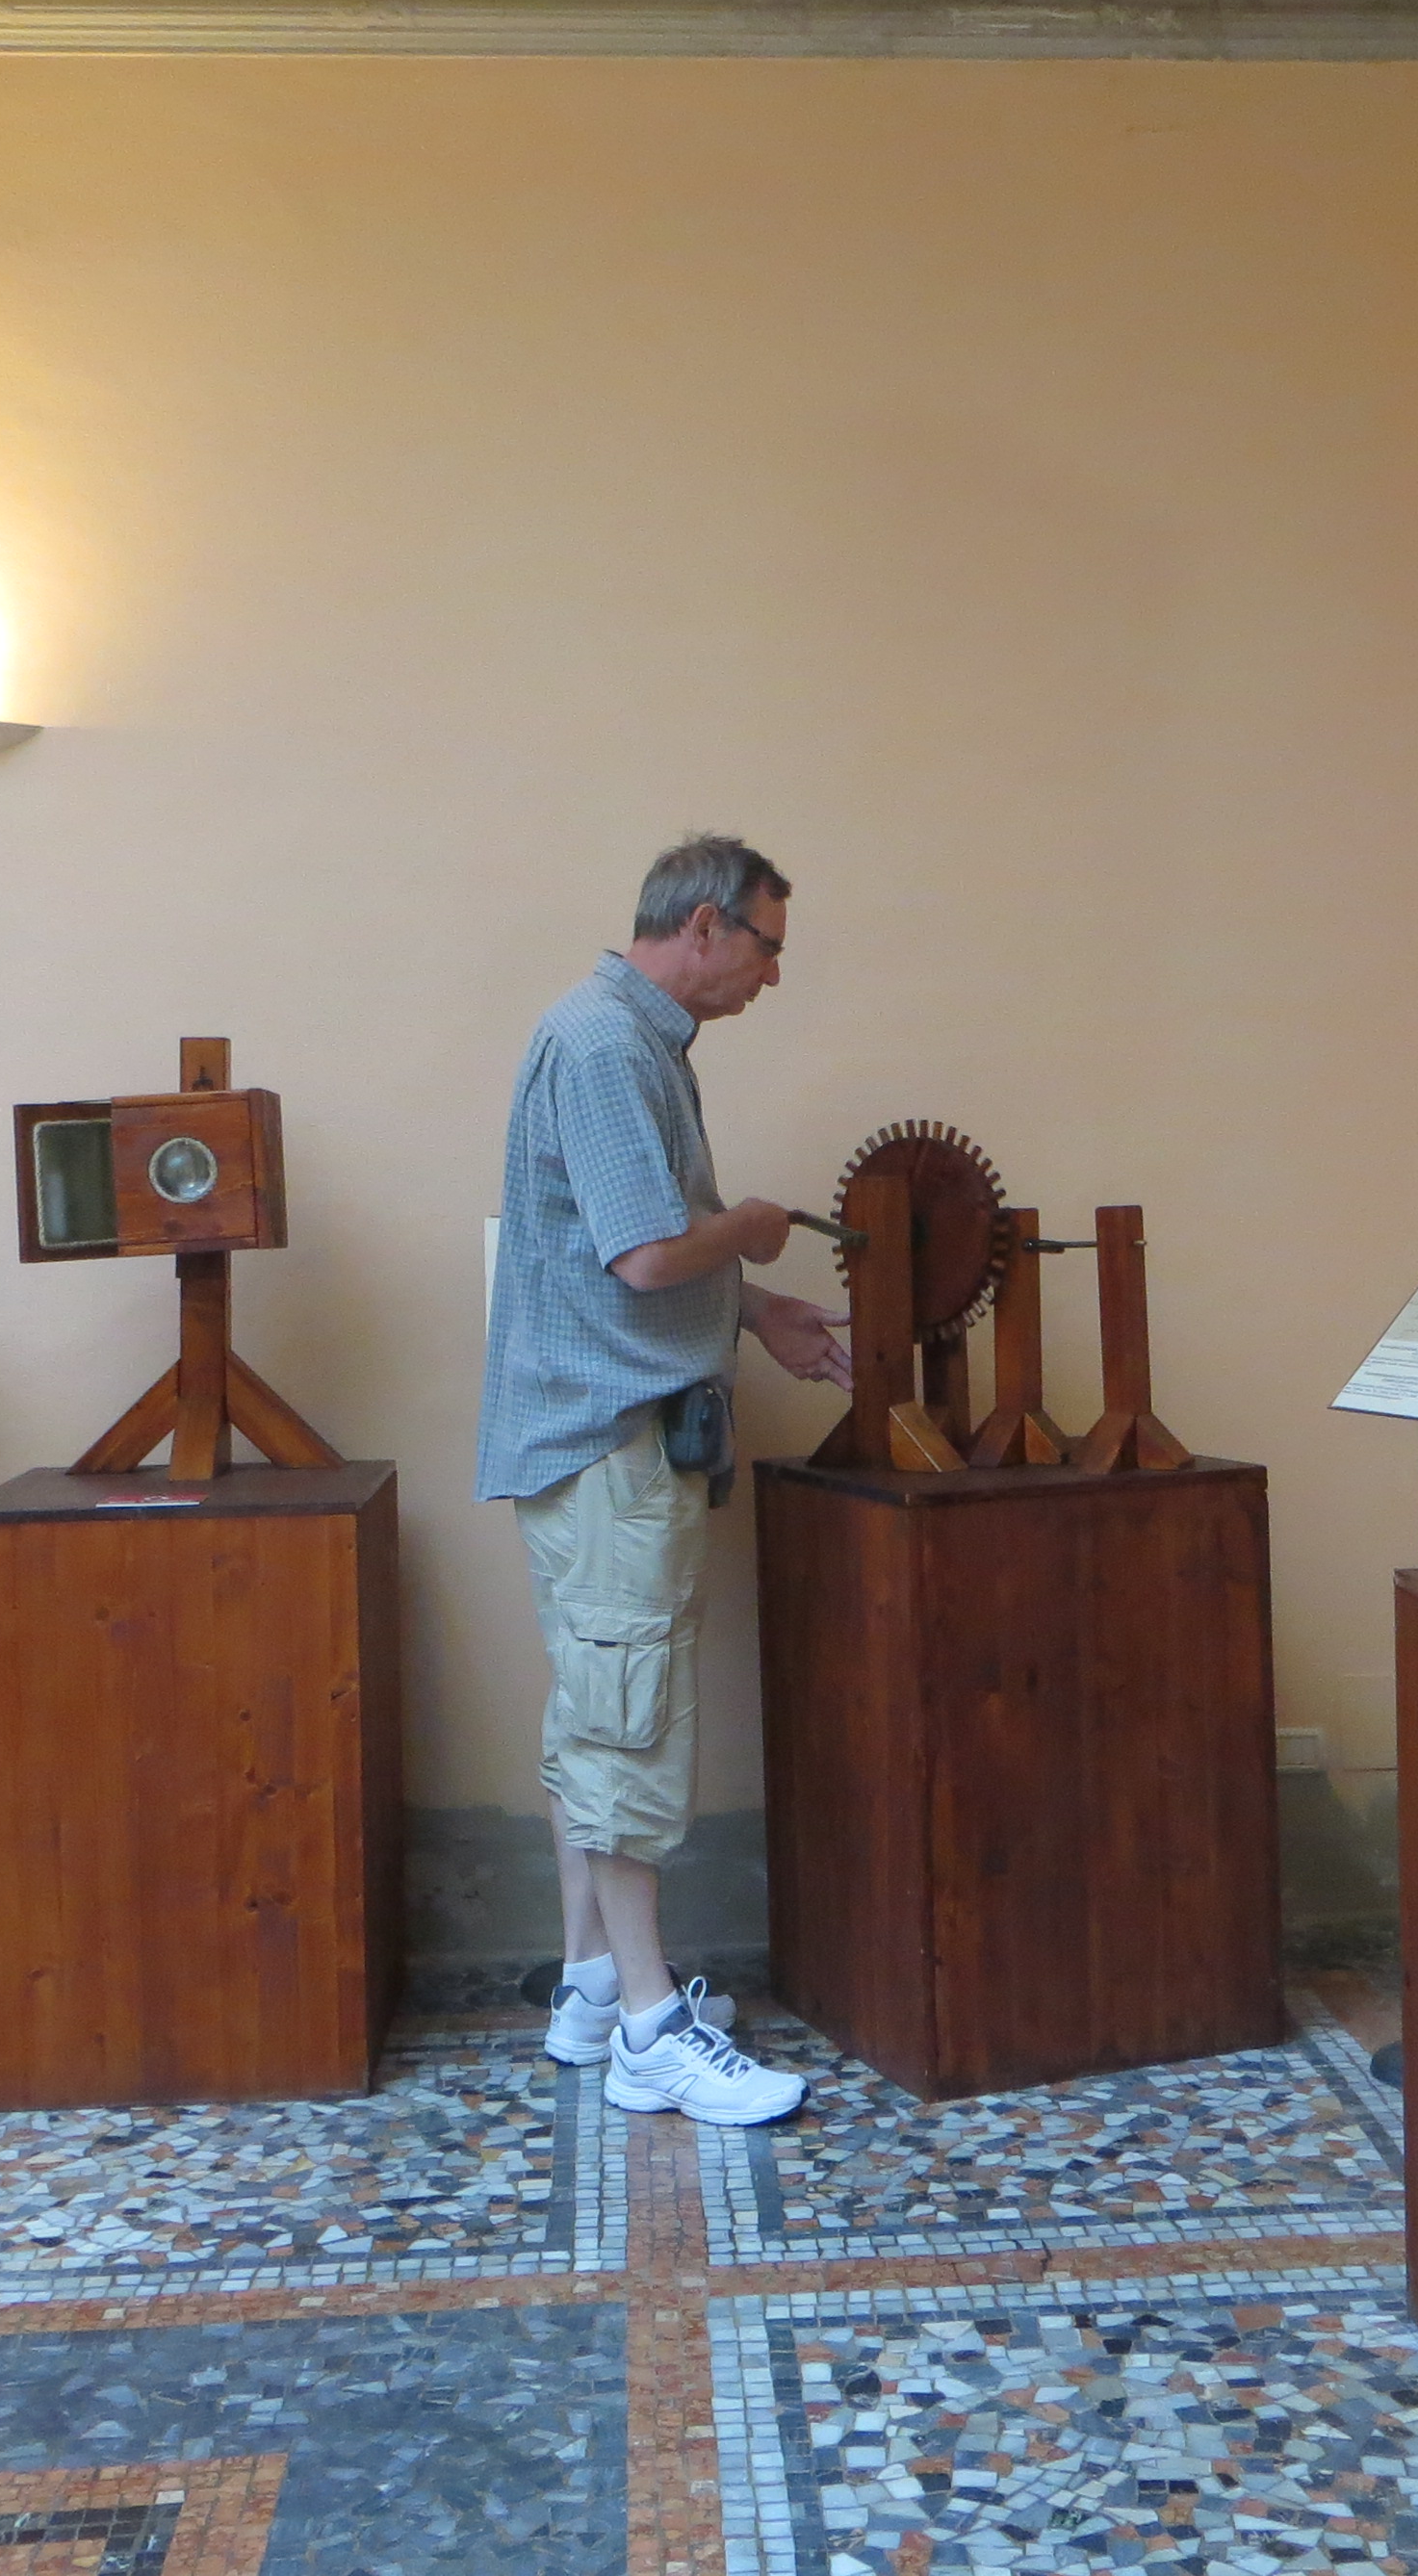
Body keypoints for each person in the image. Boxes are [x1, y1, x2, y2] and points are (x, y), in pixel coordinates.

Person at [477, 833, 847, 2125]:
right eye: (766, 946)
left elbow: (625, 1255)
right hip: (610, 1441)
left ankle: (590, 1987)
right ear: (702, 926)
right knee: (625, 1722)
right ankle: (648, 2028)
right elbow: (645, 1257)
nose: (772, 976)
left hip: (611, 1435)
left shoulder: (629, 1039)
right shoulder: (606, 1045)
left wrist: (754, 1304)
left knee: (598, 1708)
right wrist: (749, 1231)